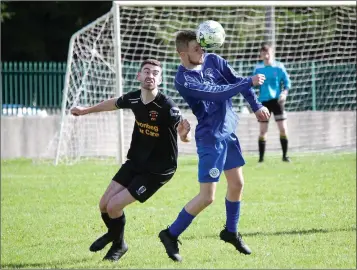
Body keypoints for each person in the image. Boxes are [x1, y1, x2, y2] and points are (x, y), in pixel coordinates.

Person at [158, 30, 270, 262]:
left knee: (237, 184)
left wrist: (256, 105)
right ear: (183, 54)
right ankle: (170, 234)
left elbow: (236, 81)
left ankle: (230, 231)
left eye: (203, 46)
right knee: (207, 197)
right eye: (197, 49)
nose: (203, 51)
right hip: (210, 138)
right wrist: (248, 81)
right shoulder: (183, 80)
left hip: (227, 132)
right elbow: (218, 93)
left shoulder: (214, 60)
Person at [70, 59, 191, 262]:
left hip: (158, 170)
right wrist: (86, 110)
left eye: (155, 73)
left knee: (114, 207)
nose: (150, 75)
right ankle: (117, 238)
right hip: (136, 161)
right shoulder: (134, 98)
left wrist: (184, 135)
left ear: (160, 79)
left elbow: (184, 133)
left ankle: (117, 244)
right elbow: (114, 102)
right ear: (139, 76)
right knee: (103, 205)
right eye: (146, 71)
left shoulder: (167, 106)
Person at [253, 42, 292, 163]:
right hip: (264, 102)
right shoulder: (258, 68)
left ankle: (285, 156)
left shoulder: (279, 67)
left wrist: (284, 93)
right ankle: (261, 159)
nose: (266, 56)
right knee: (263, 131)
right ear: (260, 55)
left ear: (272, 54)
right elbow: (252, 85)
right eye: (264, 54)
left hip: (277, 101)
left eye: (268, 53)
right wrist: (253, 101)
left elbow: (287, 83)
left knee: (283, 129)